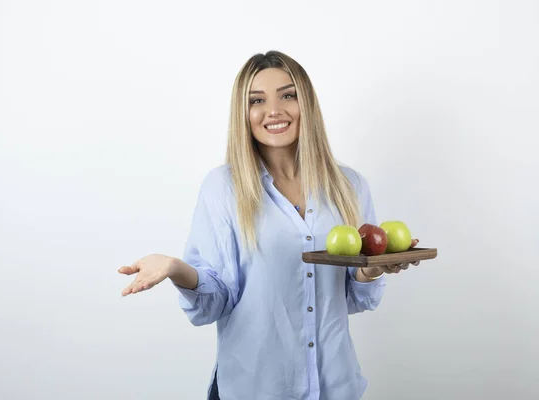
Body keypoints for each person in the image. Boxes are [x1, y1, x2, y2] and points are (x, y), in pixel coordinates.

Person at [118, 50, 420, 400]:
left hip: (335, 387)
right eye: (257, 100)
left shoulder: (349, 186)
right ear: (243, 114)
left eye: (287, 95)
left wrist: (375, 269)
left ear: (305, 103)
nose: (274, 110)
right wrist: (175, 268)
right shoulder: (223, 189)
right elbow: (214, 302)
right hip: (254, 389)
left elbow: (354, 298)